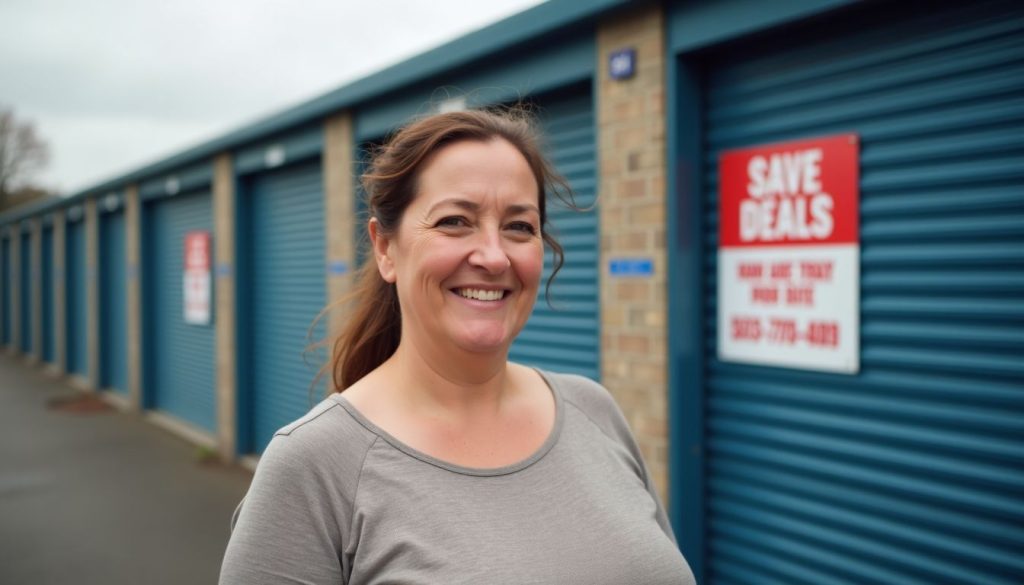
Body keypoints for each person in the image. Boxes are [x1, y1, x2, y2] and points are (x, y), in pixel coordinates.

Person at [219, 108, 696, 584]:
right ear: (385, 248)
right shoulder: (315, 466)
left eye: (519, 226)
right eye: (454, 221)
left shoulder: (594, 410)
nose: (493, 256)